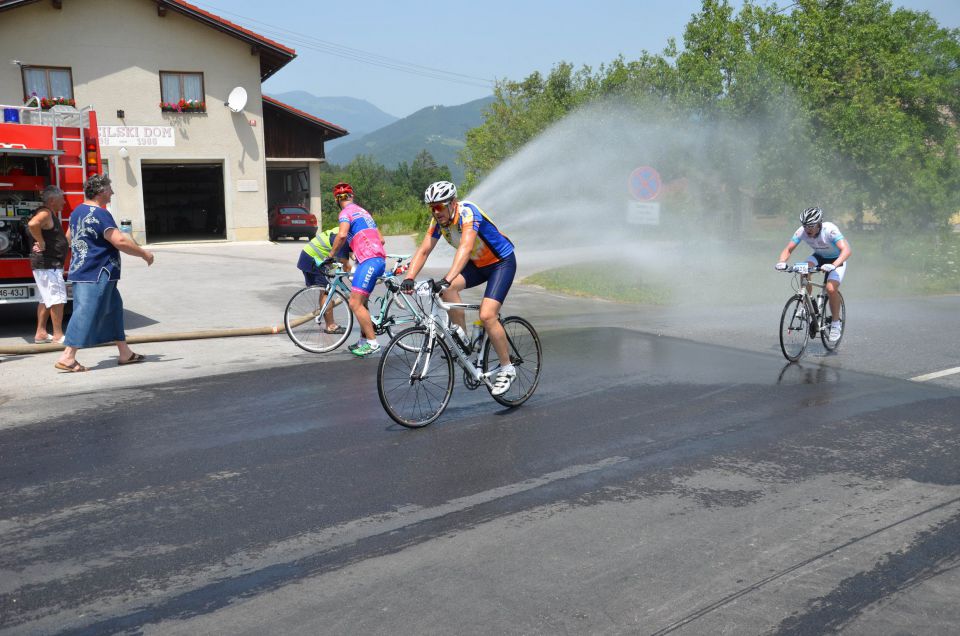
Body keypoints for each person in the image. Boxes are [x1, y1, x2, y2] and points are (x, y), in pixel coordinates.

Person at [400, 181, 518, 396]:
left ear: (452, 203)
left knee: (487, 314)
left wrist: (447, 277)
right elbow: (424, 249)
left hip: (501, 263)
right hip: (478, 265)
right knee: (447, 291)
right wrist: (409, 276)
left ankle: (507, 368)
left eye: (439, 206)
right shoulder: (438, 222)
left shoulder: (468, 213)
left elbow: (464, 248)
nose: (436, 212)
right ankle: (462, 337)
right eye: (431, 208)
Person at [54, 174, 155, 372]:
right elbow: (120, 241)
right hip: (97, 272)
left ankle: (124, 352)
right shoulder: (100, 214)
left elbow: (69, 238)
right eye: (109, 189)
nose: (112, 193)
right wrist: (144, 254)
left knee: (113, 309)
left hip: (87, 271)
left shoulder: (77, 212)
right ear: (101, 191)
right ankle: (68, 356)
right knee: (86, 311)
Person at [325, 182, 386, 357]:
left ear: (337, 200)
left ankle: (373, 343)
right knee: (362, 302)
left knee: (354, 302)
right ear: (352, 196)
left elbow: (342, 235)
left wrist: (331, 255)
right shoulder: (364, 213)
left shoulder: (345, 213)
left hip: (369, 261)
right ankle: (363, 340)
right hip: (376, 259)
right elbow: (381, 240)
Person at [775, 206, 851, 342]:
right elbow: (788, 249)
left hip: (837, 259)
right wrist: (781, 261)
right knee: (802, 268)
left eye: (811, 226)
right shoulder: (802, 231)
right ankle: (807, 301)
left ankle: (835, 323)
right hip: (819, 256)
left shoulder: (830, 230)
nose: (807, 229)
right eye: (805, 226)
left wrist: (833, 265)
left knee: (830, 289)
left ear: (819, 223)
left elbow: (846, 250)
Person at [26, 185, 70, 344]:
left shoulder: (48, 213)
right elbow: (32, 224)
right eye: (61, 199)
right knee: (57, 298)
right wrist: (41, 241)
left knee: (46, 299)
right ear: (52, 200)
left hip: (46, 264)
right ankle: (58, 335)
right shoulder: (45, 213)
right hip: (48, 264)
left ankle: (41, 333)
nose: (64, 202)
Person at [296, 222, 352, 334]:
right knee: (325, 291)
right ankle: (331, 326)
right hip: (312, 260)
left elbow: (350, 253)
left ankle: (329, 323)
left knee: (325, 289)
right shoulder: (342, 237)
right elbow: (345, 263)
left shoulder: (343, 230)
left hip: (311, 257)